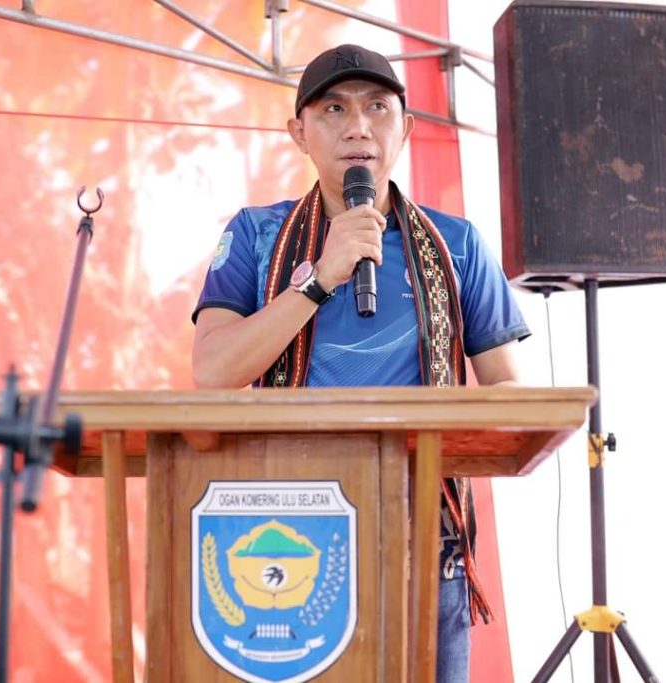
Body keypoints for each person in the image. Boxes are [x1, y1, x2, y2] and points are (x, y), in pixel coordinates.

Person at [191, 43, 530, 682]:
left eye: (377, 108)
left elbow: (507, 393)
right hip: (288, 529)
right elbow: (212, 371)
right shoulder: (257, 234)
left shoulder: (457, 245)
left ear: (406, 128)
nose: (357, 127)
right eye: (334, 110)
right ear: (298, 133)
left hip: (423, 529)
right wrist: (319, 279)